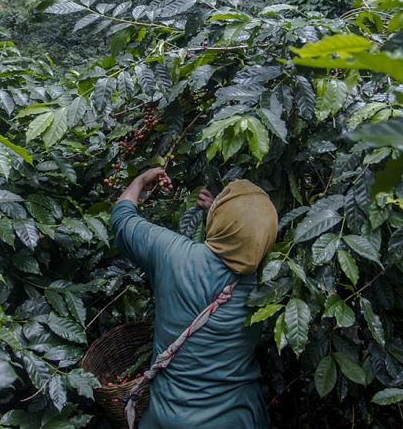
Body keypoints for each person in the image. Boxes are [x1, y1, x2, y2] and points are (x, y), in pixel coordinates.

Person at [110, 167, 279, 429]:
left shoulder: (173, 255)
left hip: (168, 418)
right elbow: (247, 237)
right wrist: (223, 215)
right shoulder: (272, 284)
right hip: (240, 418)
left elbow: (122, 218)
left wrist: (141, 180)